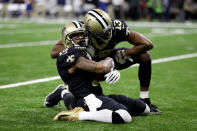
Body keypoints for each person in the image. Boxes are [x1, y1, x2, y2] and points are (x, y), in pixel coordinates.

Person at [46, 9, 162, 114]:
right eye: (104, 33)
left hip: (111, 57)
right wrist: (79, 46)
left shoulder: (117, 27)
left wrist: (125, 54)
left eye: (109, 30)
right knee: (90, 91)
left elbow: (147, 44)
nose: (109, 34)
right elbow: (54, 52)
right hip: (91, 62)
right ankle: (66, 92)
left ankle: (144, 99)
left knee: (145, 56)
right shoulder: (82, 32)